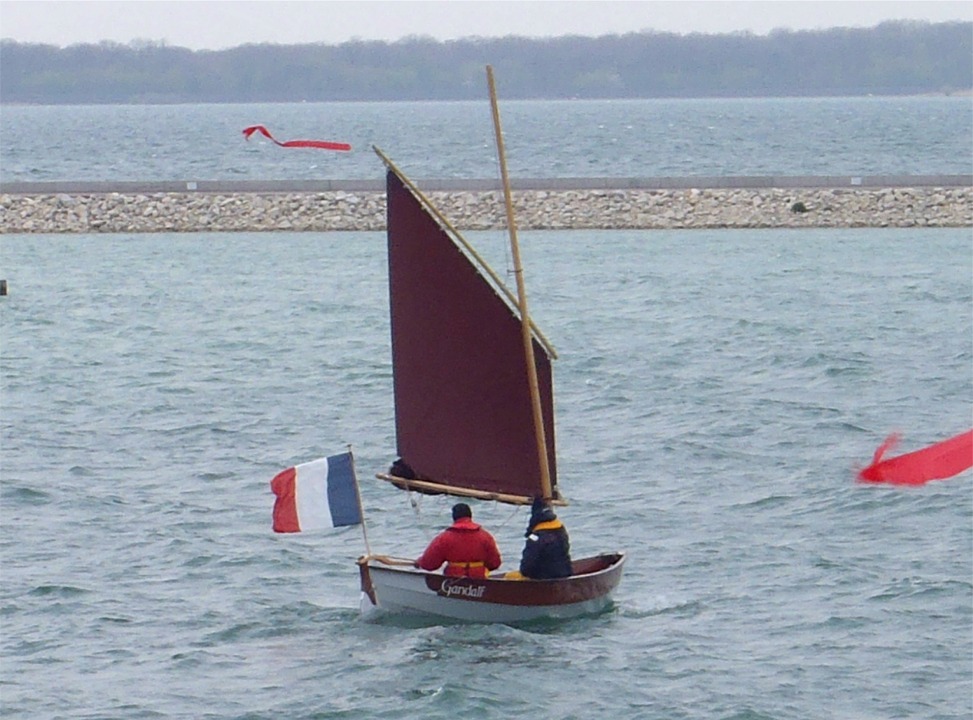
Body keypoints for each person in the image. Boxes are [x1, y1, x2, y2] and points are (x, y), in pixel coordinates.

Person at [414, 502, 502, 579]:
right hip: (479, 580)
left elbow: (429, 564)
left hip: (453, 581)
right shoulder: (485, 536)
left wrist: (420, 562)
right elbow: (495, 563)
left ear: (454, 517)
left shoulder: (444, 538)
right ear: (470, 516)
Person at [519, 496, 572, 579]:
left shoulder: (536, 537)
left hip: (542, 579)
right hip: (565, 573)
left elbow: (525, 568)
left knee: (510, 576)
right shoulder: (561, 529)